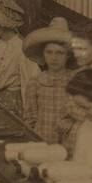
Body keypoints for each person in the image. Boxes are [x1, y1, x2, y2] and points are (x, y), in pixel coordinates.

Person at [21, 17, 75, 145]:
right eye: (49, 52)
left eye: (59, 53)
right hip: (42, 142)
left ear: (68, 55)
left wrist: (72, 123)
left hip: (69, 143)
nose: (54, 58)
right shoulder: (35, 82)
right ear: (43, 55)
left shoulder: (75, 81)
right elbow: (30, 119)